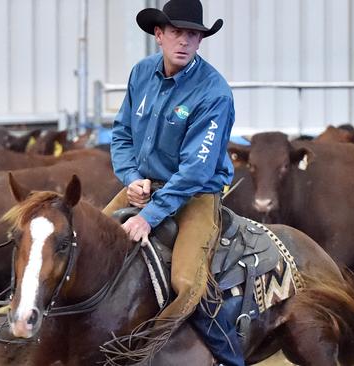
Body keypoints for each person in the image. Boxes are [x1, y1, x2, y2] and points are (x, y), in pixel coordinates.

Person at [101, 0, 244, 365]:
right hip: (144, 185)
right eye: (177, 33)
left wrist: (148, 216)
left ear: (200, 41)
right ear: (159, 35)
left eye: (193, 35)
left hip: (195, 194)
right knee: (87, 245)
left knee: (187, 283)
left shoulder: (213, 93)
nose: (184, 42)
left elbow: (196, 170)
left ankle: (230, 359)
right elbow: (121, 135)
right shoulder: (141, 73)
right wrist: (131, 178)